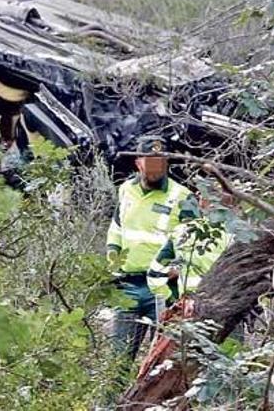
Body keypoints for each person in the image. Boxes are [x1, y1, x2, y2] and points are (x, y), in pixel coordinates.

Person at [105, 135, 198, 372]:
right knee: (118, 361)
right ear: (138, 163)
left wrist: (177, 269)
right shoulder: (126, 190)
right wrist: (112, 261)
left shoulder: (183, 197)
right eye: (150, 161)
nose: (156, 166)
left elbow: (195, 243)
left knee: (163, 363)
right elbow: (116, 230)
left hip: (163, 290)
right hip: (128, 287)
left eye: (161, 160)